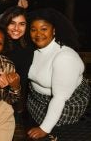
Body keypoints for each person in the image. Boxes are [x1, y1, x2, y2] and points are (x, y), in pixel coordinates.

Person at [26, 8, 90, 140]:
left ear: (54, 30)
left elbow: (59, 98)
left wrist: (44, 128)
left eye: (44, 29)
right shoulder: (32, 51)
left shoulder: (65, 57)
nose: (38, 34)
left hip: (65, 105)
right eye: (33, 29)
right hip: (37, 103)